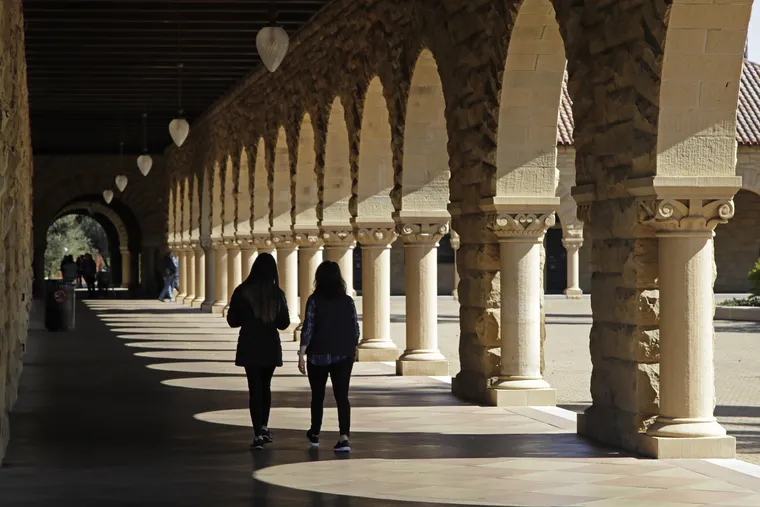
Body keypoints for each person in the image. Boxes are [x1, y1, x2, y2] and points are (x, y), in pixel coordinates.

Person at [226, 253, 290, 450]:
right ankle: (264, 426)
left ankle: (257, 434)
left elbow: (232, 321)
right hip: (269, 344)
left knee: (254, 388)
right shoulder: (276, 293)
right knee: (266, 386)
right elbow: (284, 323)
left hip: (249, 344)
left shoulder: (242, 291)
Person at [298, 261, 360, 453]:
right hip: (343, 354)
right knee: (342, 396)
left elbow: (308, 327)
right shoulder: (347, 301)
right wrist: (350, 348)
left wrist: (301, 353)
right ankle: (344, 437)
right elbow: (355, 330)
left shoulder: (314, 300)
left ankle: (315, 433)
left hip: (318, 355)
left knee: (317, 396)